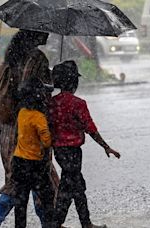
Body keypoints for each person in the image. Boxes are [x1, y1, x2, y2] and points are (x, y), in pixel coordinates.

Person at [0, 30, 59, 228]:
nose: (48, 35)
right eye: (44, 31)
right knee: (41, 175)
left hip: (8, 126)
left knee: (17, 174)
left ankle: (47, 222)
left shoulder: (11, 56)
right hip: (29, 125)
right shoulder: (36, 58)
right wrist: (53, 81)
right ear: (35, 34)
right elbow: (37, 90)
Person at [50, 61, 121, 228]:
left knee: (75, 185)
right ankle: (60, 223)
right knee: (70, 187)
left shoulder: (51, 103)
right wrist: (105, 146)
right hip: (74, 152)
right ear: (74, 82)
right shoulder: (78, 103)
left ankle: (81, 222)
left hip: (59, 151)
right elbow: (91, 128)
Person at [12, 78, 56, 228]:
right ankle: (49, 225)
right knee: (47, 197)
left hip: (19, 162)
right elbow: (47, 142)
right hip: (35, 165)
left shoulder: (22, 112)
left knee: (21, 202)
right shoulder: (39, 117)